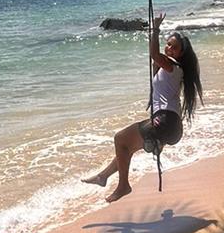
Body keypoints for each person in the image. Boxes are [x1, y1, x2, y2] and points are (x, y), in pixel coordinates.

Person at [83, 12, 202, 203]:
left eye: (174, 47)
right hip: (171, 126)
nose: (169, 48)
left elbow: (154, 54)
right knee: (126, 148)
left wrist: (155, 28)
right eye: (168, 45)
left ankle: (123, 186)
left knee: (120, 138)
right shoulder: (173, 71)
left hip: (164, 121)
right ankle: (103, 176)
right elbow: (156, 59)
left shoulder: (173, 66)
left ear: (181, 54)